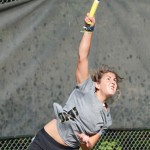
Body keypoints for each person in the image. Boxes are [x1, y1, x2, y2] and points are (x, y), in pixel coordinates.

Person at [28, 12, 123, 150]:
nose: (113, 82)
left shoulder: (106, 120)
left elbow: (88, 147)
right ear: (97, 84)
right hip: (44, 141)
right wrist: (89, 29)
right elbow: (82, 56)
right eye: (108, 79)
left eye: (115, 80)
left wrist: (85, 141)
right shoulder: (86, 88)